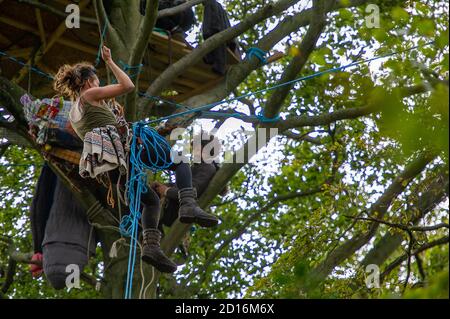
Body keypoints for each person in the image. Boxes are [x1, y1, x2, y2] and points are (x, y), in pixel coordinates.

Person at [52, 45, 218, 274]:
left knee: (151, 201)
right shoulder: (88, 95)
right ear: (88, 82)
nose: (99, 85)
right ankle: (188, 205)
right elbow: (128, 86)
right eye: (97, 80)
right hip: (124, 149)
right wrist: (110, 62)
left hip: (112, 167)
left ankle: (150, 247)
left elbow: (99, 126)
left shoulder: (74, 113)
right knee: (179, 161)